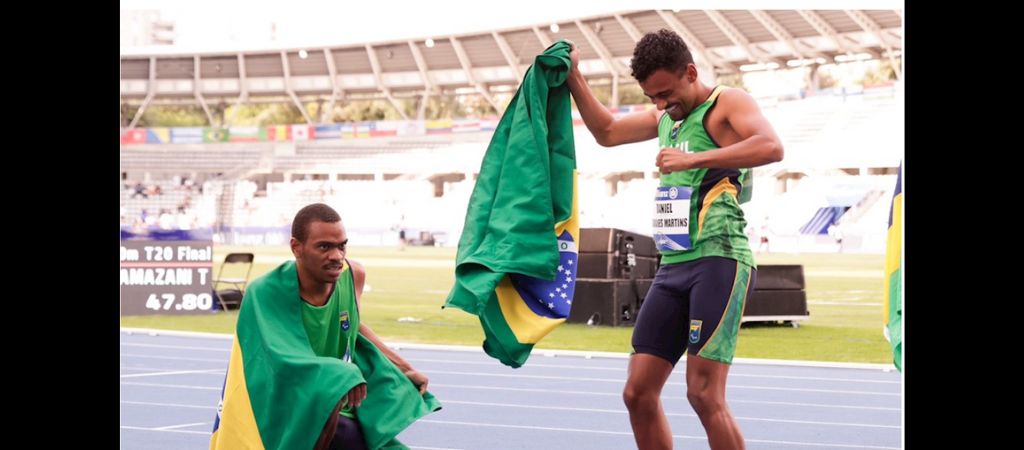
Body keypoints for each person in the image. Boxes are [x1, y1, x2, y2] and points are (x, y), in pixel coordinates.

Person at [566, 30, 783, 449]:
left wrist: (693, 159)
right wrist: (574, 76)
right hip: (674, 265)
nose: (661, 105)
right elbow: (607, 131)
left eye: (666, 93)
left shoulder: (727, 102)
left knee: (703, 393)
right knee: (637, 392)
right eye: (652, 97)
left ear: (691, 73)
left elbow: (771, 146)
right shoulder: (665, 117)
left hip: (720, 260)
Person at [211, 203, 439, 450]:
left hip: (333, 401)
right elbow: (280, 360)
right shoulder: (264, 292)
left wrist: (404, 368)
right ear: (296, 247)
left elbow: (354, 327)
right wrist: (341, 374)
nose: (337, 256)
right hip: (282, 406)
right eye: (324, 247)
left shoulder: (353, 275)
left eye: (342, 246)